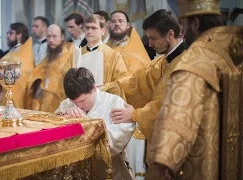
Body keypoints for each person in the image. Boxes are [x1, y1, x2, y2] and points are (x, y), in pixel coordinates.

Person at [146, 0, 243, 179]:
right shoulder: (235, 53)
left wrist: (159, 168)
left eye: (183, 24)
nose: (182, 32)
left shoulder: (192, 62)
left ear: (195, 23)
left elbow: (176, 125)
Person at [111, 9, 186, 180]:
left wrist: (135, 114)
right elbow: (136, 83)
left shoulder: (184, 63)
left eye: (153, 38)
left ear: (170, 34)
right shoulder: (163, 61)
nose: (150, 44)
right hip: (159, 147)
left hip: (175, 148)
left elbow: (169, 105)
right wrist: (101, 90)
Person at [55, 67, 135, 180]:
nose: (78, 106)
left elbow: (115, 144)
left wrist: (86, 124)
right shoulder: (67, 104)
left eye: (82, 101)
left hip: (108, 169)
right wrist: (65, 118)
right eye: (74, 102)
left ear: (93, 88)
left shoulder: (115, 103)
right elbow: (55, 134)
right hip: (75, 171)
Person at [26, 24, 73, 112]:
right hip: (44, 102)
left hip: (62, 102)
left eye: (54, 36)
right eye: (48, 36)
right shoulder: (48, 57)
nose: (51, 40)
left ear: (62, 37)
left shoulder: (69, 55)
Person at [81, 16, 128, 97]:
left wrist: (104, 87)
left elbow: (122, 81)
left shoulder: (113, 55)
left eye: (94, 28)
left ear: (102, 31)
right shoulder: (77, 54)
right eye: (87, 28)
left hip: (105, 99)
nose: (89, 31)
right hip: (79, 101)